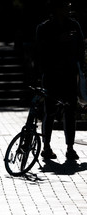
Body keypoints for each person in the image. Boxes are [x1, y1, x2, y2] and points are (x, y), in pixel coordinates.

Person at [35, 0, 85, 160]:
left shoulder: (74, 25)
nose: (68, 10)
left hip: (70, 74)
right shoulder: (44, 28)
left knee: (70, 111)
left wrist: (80, 69)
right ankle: (46, 147)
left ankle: (70, 148)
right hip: (51, 75)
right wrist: (58, 41)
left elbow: (81, 48)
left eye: (69, 7)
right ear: (56, 9)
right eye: (65, 7)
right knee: (50, 111)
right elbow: (40, 51)